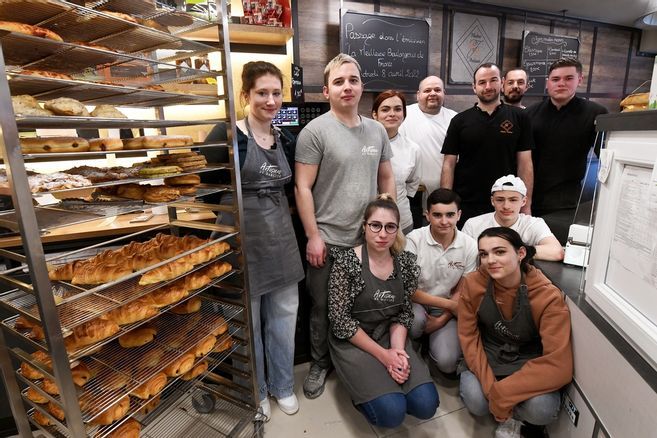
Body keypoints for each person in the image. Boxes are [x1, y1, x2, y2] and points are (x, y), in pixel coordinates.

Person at [206, 61, 304, 419]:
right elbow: (205, 190)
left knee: (283, 318)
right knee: (246, 321)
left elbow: (293, 191)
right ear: (245, 95)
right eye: (262, 92)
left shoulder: (286, 138)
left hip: (280, 239)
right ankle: (256, 390)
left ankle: (281, 385)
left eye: (276, 93)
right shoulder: (225, 135)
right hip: (240, 239)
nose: (270, 100)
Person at [295, 53, 395, 399]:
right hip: (330, 240)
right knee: (323, 308)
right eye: (339, 82)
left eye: (352, 80)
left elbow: (386, 177)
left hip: (368, 242)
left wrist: (388, 224)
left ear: (362, 86)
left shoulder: (377, 130)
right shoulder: (315, 132)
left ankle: (354, 361)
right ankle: (320, 364)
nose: (347, 87)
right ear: (326, 91)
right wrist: (313, 237)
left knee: (360, 306)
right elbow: (302, 187)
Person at [328, 194, 439, 428]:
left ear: (397, 229)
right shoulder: (347, 262)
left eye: (390, 227)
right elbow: (340, 321)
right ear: (364, 227)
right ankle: (362, 391)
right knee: (391, 414)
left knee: (426, 404)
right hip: (354, 340)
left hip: (390, 334)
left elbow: (403, 312)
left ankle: (388, 380)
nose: (382, 234)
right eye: (375, 226)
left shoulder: (405, 263)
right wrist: (383, 356)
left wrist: (397, 351)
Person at [457, 227, 573, 438]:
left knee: (542, 409)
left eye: (499, 252)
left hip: (527, 360)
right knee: (476, 401)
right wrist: (490, 387)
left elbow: (560, 365)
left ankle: (513, 415)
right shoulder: (473, 283)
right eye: (484, 254)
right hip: (489, 353)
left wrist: (502, 395)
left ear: (520, 254)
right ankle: (506, 409)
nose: (490, 260)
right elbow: (469, 337)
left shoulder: (548, 296)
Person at [440, 63, 534, 227]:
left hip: (506, 202)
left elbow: (525, 163)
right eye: (482, 82)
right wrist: (447, 203)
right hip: (467, 202)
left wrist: (526, 205)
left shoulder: (520, 117)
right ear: (474, 87)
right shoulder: (459, 121)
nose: (488, 86)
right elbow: (448, 164)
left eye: (493, 80)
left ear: (502, 82)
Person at [405, 189, 477, 376]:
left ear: (459, 215)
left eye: (450, 215)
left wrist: (441, 320)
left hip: (446, 309)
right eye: (437, 215)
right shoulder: (413, 240)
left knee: (448, 363)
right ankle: (416, 339)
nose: (444, 221)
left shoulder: (470, 246)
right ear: (427, 215)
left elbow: (463, 287)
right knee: (415, 322)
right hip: (417, 302)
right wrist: (451, 306)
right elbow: (409, 289)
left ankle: (431, 340)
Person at [525, 58, 608, 220]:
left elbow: (606, 159)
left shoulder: (595, 113)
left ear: (580, 80)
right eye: (555, 79)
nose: (561, 83)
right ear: (547, 82)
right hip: (530, 198)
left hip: (567, 200)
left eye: (568, 78)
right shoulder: (529, 114)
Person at [399, 76, 457, 228]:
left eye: (437, 90)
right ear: (418, 94)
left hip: (445, 196)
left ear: (444, 93)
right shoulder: (403, 115)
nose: (433, 93)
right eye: (427, 90)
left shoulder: (454, 119)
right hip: (412, 197)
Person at [462, 175, 564, 261]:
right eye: (500, 200)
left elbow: (557, 252)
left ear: (523, 201)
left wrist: (513, 252)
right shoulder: (473, 225)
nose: (506, 206)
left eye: (513, 200)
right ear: (492, 201)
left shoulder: (533, 223)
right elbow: (461, 258)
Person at [372, 90, 421, 234]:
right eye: (385, 109)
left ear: (404, 115)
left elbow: (412, 185)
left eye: (398, 109)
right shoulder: (361, 144)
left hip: (401, 221)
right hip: (365, 221)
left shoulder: (413, 149)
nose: (392, 114)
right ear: (375, 114)